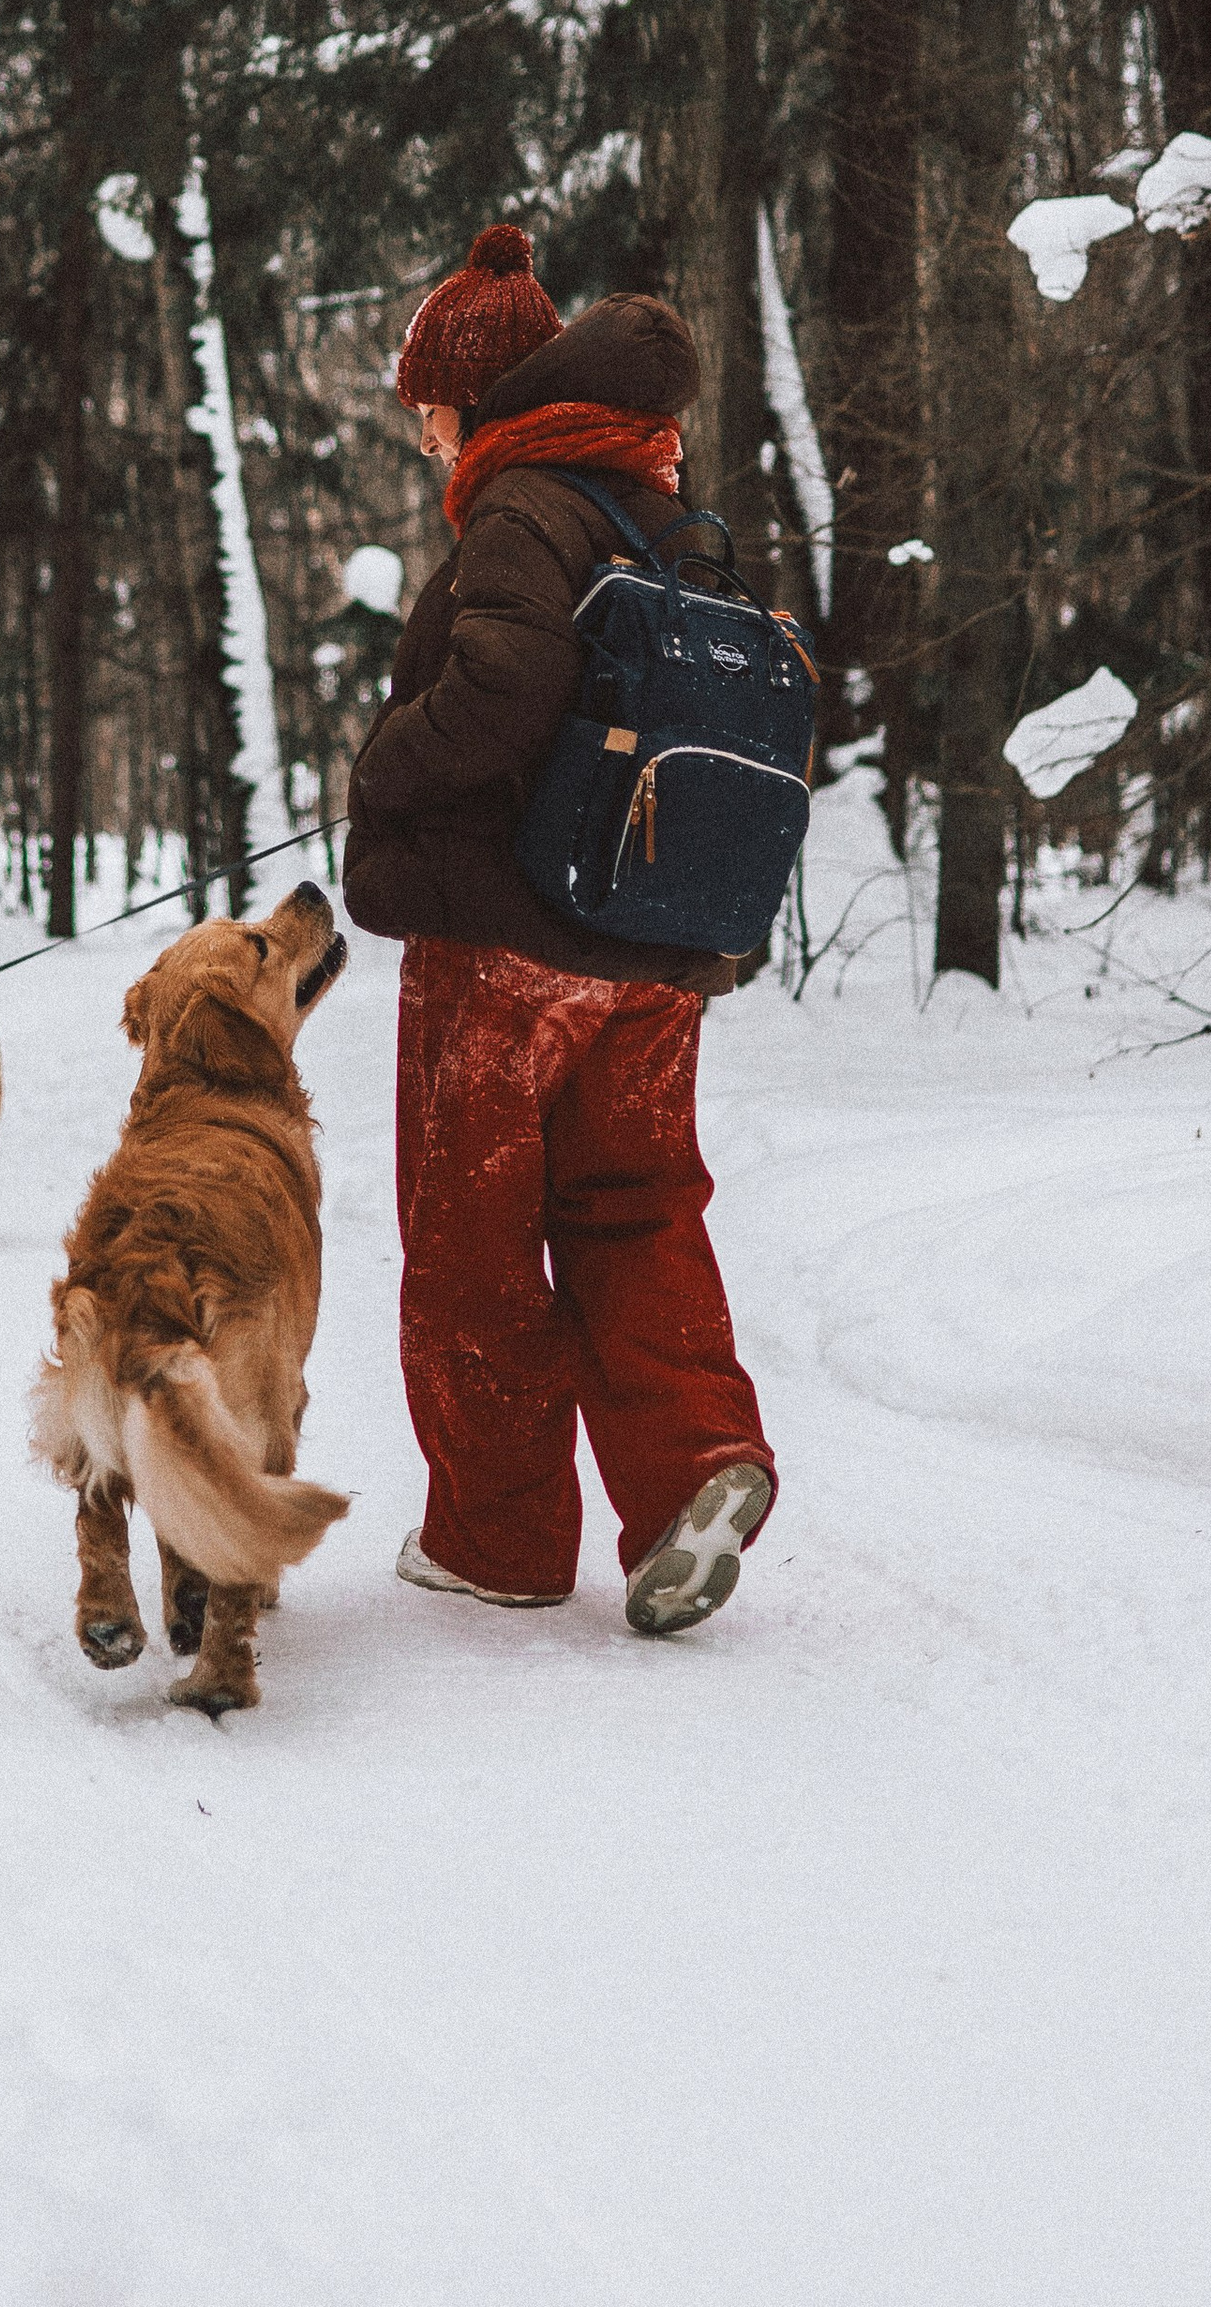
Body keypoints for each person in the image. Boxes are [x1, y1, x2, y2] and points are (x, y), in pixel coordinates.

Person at [339, 222, 776, 1635]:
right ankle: (696, 1464)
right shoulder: (660, 505)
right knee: (635, 1212)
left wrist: (382, 765)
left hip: (506, 949)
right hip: (651, 948)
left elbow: (502, 694)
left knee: (471, 1238)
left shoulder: (523, 502)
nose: (422, 433)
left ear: (477, 395)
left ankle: (500, 1537)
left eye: (426, 406)